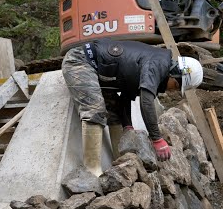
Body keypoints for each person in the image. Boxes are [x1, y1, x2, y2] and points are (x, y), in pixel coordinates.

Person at [61, 37, 203, 177]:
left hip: (97, 71)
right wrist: (157, 139)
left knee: (115, 113)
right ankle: (92, 171)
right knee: (95, 109)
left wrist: (127, 126)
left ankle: (119, 164)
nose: (172, 91)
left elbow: (125, 96)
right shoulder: (156, 64)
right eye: (177, 86)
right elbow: (146, 102)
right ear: (175, 74)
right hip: (80, 61)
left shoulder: (155, 63)